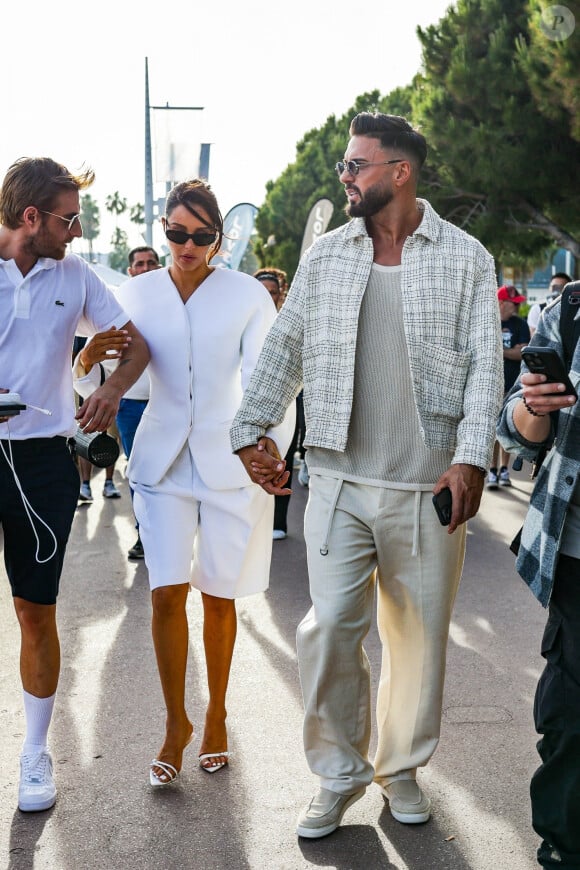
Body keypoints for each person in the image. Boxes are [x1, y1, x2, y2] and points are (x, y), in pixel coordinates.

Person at [231, 111, 503, 838]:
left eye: (357, 166)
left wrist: (471, 457)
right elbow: (284, 350)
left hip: (427, 489)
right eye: (345, 167)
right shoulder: (327, 256)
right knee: (329, 632)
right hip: (340, 482)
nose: (345, 178)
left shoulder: (466, 258)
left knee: (418, 642)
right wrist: (248, 429)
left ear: (399, 171)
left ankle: (402, 770)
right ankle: (338, 775)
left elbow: (486, 368)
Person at [104, 179, 293, 786]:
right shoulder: (135, 293)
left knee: (218, 594)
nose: (188, 246)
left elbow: (272, 378)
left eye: (202, 236)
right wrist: (89, 373)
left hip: (228, 460)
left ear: (219, 237)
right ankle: (174, 723)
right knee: (165, 593)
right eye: (177, 233)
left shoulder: (246, 296)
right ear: (164, 229)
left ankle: (215, 715)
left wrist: (270, 446)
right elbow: (118, 377)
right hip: (159, 462)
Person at [0, 157, 149, 813]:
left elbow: (136, 343)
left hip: (43, 463)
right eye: (69, 218)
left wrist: (112, 390)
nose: (78, 229)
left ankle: (35, 754)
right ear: (31, 218)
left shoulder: (76, 275)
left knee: (36, 612)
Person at [496, 296, 579, 869]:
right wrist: (534, 407)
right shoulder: (572, 309)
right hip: (576, 552)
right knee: (571, 714)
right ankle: (566, 843)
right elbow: (517, 431)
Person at [74, 247, 161, 558]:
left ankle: (174, 538)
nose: (146, 267)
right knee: (140, 472)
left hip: (178, 403)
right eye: (140, 263)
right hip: (131, 404)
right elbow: (95, 355)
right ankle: (145, 535)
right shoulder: (116, 302)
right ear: (130, 270)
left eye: (152, 262)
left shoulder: (177, 301)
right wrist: (106, 384)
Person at [253, 267, 297, 540]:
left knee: (284, 454)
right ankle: (255, 518)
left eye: (273, 292)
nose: (268, 297)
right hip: (250, 399)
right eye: (262, 292)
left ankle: (278, 521)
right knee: (255, 453)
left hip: (291, 398)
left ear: (282, 294)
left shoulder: (290, 320)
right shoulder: (243, 319)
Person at [486, 285, 530, 490]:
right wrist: (509, 350)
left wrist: (497, 349)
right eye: (514, 304)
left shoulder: (520, 324)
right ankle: (492, 470)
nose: (517, 307)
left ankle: (505, 469)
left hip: (513, 385)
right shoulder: (487, 321)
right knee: (493, 430)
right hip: (491, 384)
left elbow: (522, 353)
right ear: (501, 303)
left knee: (507, 429)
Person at [527, 272, 572, 338]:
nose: (557, 290)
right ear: (549, 288)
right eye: (554, 286)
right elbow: (534, 337)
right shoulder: (537, 309)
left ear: (569, 289)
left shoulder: (575, 308)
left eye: (561, 287)